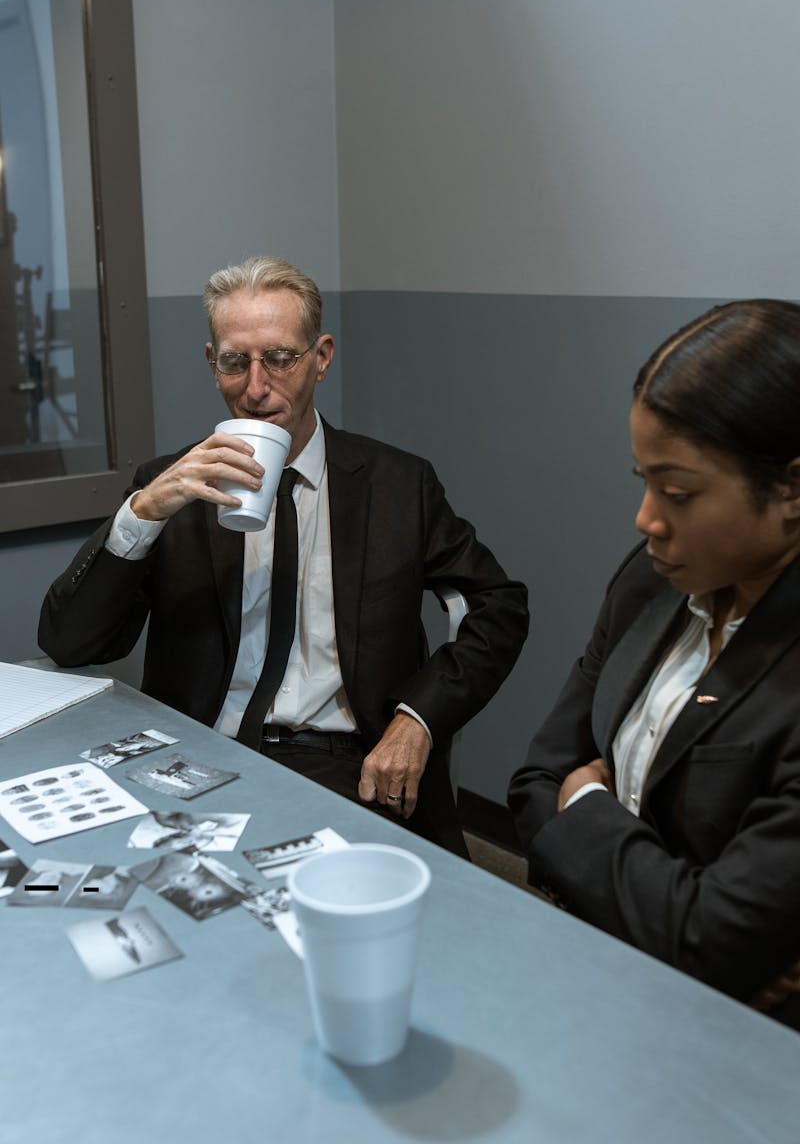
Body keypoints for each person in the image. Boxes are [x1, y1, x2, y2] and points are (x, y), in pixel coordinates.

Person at [39, 256, 528, 856]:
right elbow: (71, 643)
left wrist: (418, 718)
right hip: (196, 753)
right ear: (211, 363)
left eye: (280, 358)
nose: (255, 387)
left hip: (347, 762)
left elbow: (499, 607)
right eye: (234, 362)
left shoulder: (398, 484)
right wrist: (142, 512)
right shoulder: (170, 487)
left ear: (320, 358)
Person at [508, 299, 800, 1028]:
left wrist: (584, 814)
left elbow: (708, 942)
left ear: (791, 487)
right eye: (642, 480)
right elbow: (535, 780)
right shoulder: (652, 581)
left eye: (677, 492)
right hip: (607, 981)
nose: (646, 519)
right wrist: (676, 925)